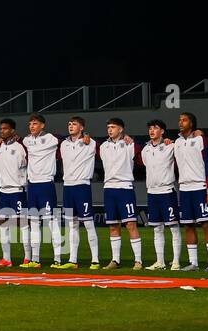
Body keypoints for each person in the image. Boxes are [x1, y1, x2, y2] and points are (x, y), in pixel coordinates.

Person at [173, 112, 208, 272]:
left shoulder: (201, 139)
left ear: (191, 124)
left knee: (206, 224)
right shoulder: (176, 142)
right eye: (179, 120)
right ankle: (194, 263)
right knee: (188, 226)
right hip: (184, 189)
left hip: (200, 187)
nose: (180, 122)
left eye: (184, 120)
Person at [53, 116, 98, 270]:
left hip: (82, 187)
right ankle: (73, 260)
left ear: (82, 127)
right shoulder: (64, 144)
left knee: (88, 223)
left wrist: (87, 136)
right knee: (72, 225)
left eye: (75, 124)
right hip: (68, 187)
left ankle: (95, 260)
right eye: (69, 124)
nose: (71, 126)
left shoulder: (90, 142)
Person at [99, 118, 144, 269]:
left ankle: (138, 260)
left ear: (121, 129)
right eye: (108, 127)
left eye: (113, 127)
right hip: (109, 188)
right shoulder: (104, 146)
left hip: (125, 187)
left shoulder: (129, 144)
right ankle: (115, 260)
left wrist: (132, 142)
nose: (110, 130)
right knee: (113, 226)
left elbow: (140, 157)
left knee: (130, 224)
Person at [139, 120, 181, 269]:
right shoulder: (145, 150)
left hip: (167, 191)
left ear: (162, 131)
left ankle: (176, 261)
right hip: (152, 192)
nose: (151, 131)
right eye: (150, 128)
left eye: (155, 128)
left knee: (173, 227)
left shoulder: (170, 146)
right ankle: (160, 262)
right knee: (157, 228)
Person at [22, 114, 62, 269]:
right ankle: (35, 260)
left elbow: (68, 138)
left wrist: (85, 135)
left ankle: (57, 259)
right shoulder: (27, 140)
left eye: (35, 123)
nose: (32, 126)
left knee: (51, 221)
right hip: (32, 186)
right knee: (34, 222)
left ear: (42, 125)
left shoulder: (52, 139)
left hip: (46, 184)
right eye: (30, 123)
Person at [0, 118, 30, 268]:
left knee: (22, 223)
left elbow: (26, 165)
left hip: (17, 190)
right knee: (3, 224)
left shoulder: (20, 147)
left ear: (12, 130)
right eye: (1, 129)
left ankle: (28, 258)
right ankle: (6, 259)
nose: (2, 131)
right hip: (3, 190)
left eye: (5, 129)